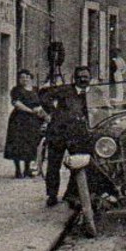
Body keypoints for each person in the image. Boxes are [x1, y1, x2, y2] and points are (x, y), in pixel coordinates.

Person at [44, 65, 93, 207]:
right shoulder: (65, 90)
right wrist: (53, 113)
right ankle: (52, 195)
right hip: (58, 133)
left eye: (86, 77)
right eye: (80, 77)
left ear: (90, 79)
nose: (83, 80)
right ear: (74, 78)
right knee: (53, 165)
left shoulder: (95, 93)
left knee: (78, 164)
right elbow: (45, 97)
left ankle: (72, 194)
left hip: (78, 135)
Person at [5, 70, 47, 178]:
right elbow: (16, 103)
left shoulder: (35, 90)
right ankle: (18, 170)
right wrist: (30, 110)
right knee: (17, 144)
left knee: (30, 143)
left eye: (27, 77)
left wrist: (40, 111)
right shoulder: (16, 90)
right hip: (19, 120)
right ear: (19, 79)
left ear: (30, 79)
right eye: (22, 77)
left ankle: (27, 168)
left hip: (33, 121)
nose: (25, 79)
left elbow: (40, 104)